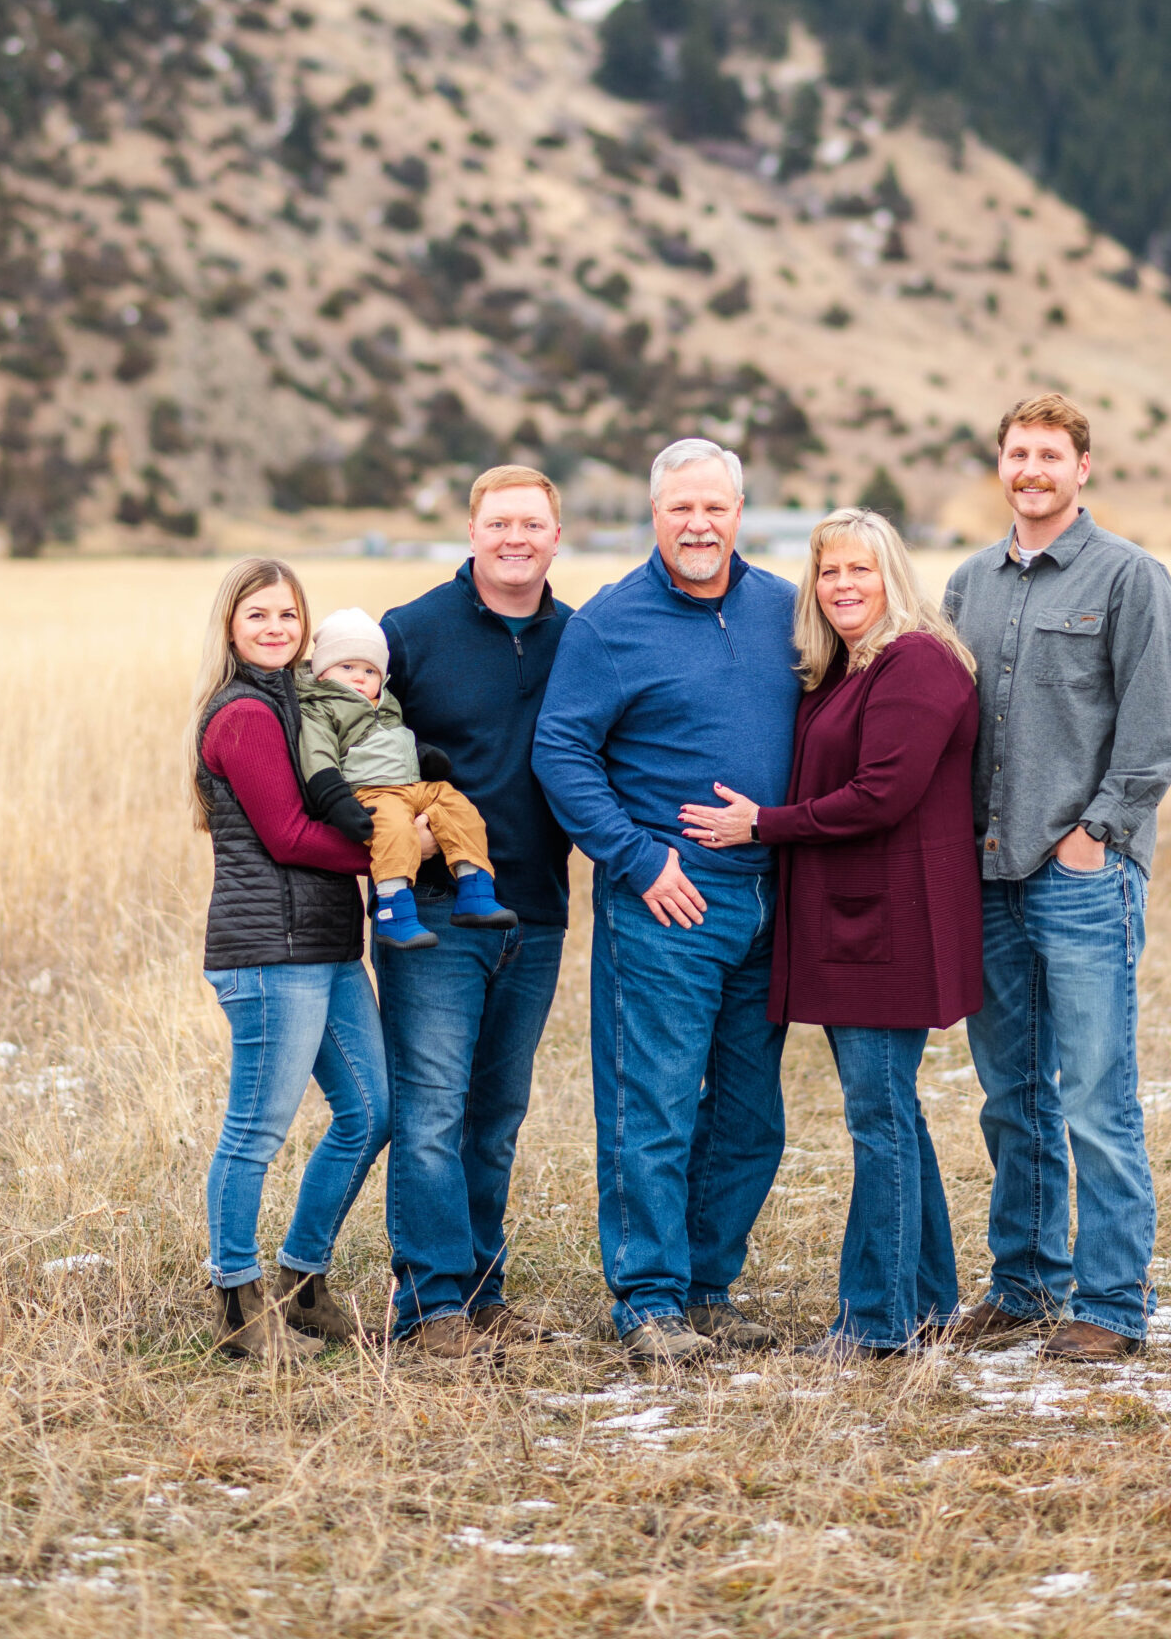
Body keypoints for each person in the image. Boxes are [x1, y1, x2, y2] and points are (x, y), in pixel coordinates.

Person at [681, 507, 983, 1356]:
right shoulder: (850, 667)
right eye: (828, 572)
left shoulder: (916, 663)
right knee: (895, 1114)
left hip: (891, 924)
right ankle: (925, 1302)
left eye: (860, 569)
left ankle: (876, 1322)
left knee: (877, 1119)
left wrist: (763, 826)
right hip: (858, 920)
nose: (842, 585)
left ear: (892, 574)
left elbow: (882, 794)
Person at [533, 437, 801, 1368]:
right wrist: (639, 859)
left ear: (739, 514)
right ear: (655, 516)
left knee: (749, 1114)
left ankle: (706, 1287)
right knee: (653, 1105)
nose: (698, 525)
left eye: (715, 508)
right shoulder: (609, 624)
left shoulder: (782, 610)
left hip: (770, 898)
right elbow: (561, 752)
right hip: (667, 907)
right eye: (680, 508)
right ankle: (647, 1299)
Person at [941, 394, 1171, 1363]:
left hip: (1081, 875)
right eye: (1016, 452)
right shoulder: (968, 583)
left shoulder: (1128, 577)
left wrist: (1097, 834)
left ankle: (1113, 1303)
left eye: (1049, 453)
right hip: (987, 875)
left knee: (1095, 1092)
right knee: (1010, 1093)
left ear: (1081, 467)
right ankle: (1025, 1284)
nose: (1031, 467)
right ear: (999, 466)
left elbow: (1156, 728)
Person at [374, 466, 573, 1357]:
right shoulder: (409, 633)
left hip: (537, 910)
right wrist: (394, 827)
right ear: (471, 530)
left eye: (531, 523)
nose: (514, 538)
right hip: (435, 912)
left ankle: (483, 1292)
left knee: (495, 1115)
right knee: (430, 1113)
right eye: (499, 523)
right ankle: (429, 1309)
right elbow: (353, 744)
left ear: (556, 536)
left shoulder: (582, 636)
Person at [186, 557, 391, 1364]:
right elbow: (289, 837)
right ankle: (238, 1305)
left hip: (327, 946)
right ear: (231, 627)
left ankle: (303, 1285)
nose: (275, 628)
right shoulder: (243, 714)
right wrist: (394, 850)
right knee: (254, 1133)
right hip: (271, 954)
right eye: (257, 615)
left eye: (288, 616)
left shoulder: (297, 703)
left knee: (372, 1111)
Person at [295, 606, 516, 948]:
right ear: (323, 671)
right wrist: (336, 801)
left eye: (370, 670)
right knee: (395, 831)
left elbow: (394, 737)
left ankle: (474, 887)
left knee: (459, 808)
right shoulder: (320, 708)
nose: (359, 677)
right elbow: (318, 756)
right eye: (347, 667)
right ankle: (394, 912)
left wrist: (422, 754)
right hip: (369, 792)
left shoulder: (385, 703)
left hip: (412, 786)